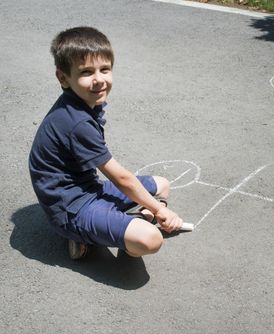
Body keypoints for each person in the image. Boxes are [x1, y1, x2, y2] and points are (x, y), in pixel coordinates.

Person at [29, 26, 183, 260]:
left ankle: (119, 223)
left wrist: (153, 207)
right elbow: (121, 178)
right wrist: (158, 209)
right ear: (63, 77)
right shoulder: (76, 123)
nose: (98, 80)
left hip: (88, 187)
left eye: (105, 69)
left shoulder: (82, 102)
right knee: (151, 239)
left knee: (162, 184)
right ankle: (82, 235)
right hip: (72, 209)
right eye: (86, 72)